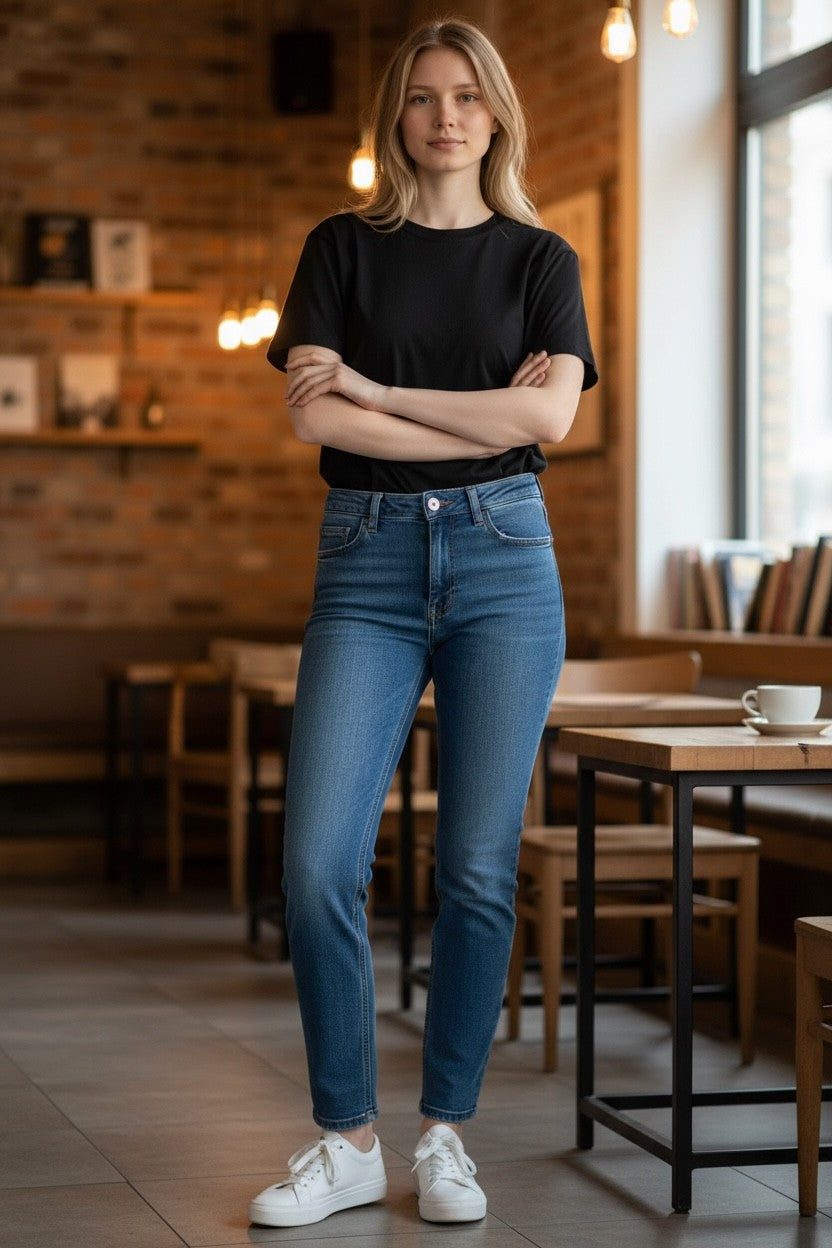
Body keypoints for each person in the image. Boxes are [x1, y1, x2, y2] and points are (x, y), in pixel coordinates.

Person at [248, 16, 597, 1230]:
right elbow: (315, 427)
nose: (444, 115)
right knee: (317, 865)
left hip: (508, 564)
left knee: (476, 869)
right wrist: (472, 414)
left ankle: (445, 1136)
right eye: (421, 97)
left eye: (466, 96)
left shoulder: (541, 258)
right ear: (395, 117)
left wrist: (379, 389)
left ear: (496, 113)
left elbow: (545, 428)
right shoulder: (340, 247)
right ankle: (345, 1140)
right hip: (367, 562)